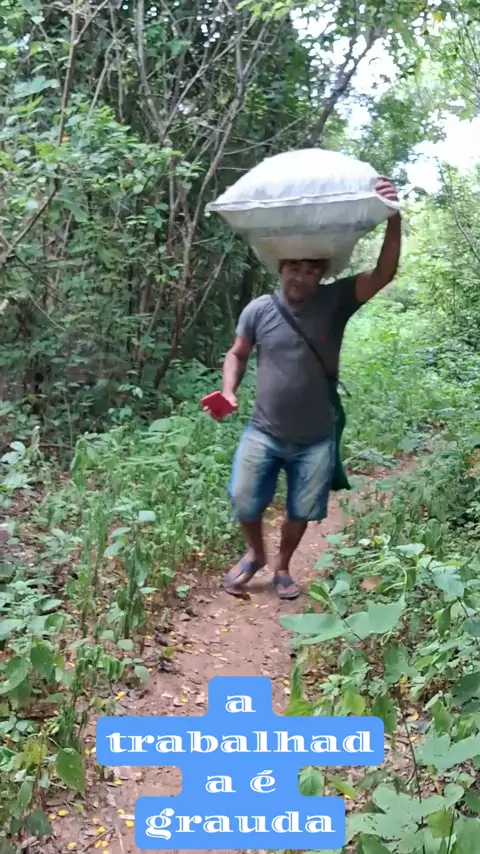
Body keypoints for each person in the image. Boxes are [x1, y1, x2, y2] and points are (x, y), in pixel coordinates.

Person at [209, 176, 401, 599]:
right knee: (243, 497)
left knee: (301, 509)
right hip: (263, 430)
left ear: (322, 275)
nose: (302, 277)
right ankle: (256, 554)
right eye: (295, 268)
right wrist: (228, 389)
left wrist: (393, 215)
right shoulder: (259, 310)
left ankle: (282, 567)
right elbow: (237, 353)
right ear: (281, 269)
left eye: (312, 270)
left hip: (316, 436)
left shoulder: (336, 302)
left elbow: (385, 272)